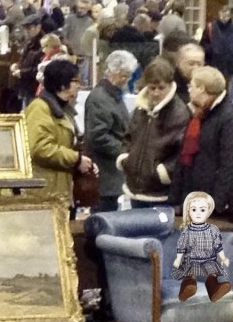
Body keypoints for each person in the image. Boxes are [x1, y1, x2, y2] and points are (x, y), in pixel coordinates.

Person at [117, 58, 189, 208]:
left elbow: (182, 151)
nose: (156, 93)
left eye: (161, 88)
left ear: (170, 85)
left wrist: (163, 172)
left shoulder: (179, 113)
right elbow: (128, 137)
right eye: (152, 88)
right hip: (134, 188)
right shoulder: (140, 109)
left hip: (160, 192)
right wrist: (125, 159)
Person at [25, 59, 96, 206]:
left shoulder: (64, 109)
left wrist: (84, 161)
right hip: (45, 192)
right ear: (63, 84)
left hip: (61, 189)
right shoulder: (40, 108)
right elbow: (39, 148)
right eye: (75, 81)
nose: (79, 85)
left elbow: (69, 143)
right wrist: (76, 159)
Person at [170, 65, 233, 217]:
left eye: (191, 86)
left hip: (211, 204)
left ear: (201, 89)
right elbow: (184, 156)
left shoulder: (227, 117)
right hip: (192, 196)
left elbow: (228, 163)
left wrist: (216, 204)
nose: (189, 90)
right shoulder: (199, 113)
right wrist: (175, 197)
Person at [83, 50, 138, 212]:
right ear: (113, 72)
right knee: (103, 215)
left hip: (111, 174)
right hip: (105, 174)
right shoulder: (100, 98)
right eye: (124, 76)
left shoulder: (112, 95)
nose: (127, 80)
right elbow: (98, 136)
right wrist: (124, 152)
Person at [172, 191, 231, 302]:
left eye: (202, 210)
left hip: (208, 258)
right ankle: (187, 289)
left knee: (212, 274)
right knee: (190, 274)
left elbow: (218, 245)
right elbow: (182, 246)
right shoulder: (188, 230)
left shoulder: (212, 229)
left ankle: (214, 290)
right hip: (192, 258)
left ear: (208, 211)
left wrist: (223, 258)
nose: (198, 213)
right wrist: (178, 259)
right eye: (194, 210)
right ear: (188, 211)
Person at [10, 14, 44, 108]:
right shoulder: (29, 42)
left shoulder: (43, 44)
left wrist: (22, 73)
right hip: (25, 86)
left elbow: (40, 68)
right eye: (25, 28)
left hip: (35, 88)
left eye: (29, 28)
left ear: (38, 27)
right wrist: (17, 65)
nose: (27, 31)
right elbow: (24, 59)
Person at [201, 5, 233, 83]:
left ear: (230, 16)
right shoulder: (210, 27)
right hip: (213, 63)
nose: (224, 17)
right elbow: (203, 45)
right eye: (223, 14)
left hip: (229, 65)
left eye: (227, 15)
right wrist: (212, 49)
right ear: (219, 13)